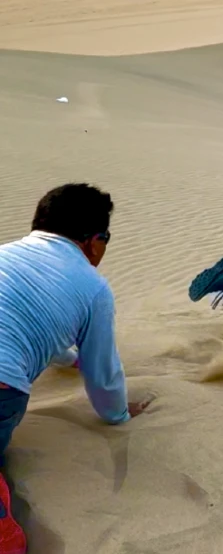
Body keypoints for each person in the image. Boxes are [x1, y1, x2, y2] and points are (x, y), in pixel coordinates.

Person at [0, 184, 150, 550]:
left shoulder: (5, 254)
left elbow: (22, 322)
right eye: (107, 238)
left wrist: (69, 357)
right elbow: (103, 374)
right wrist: (118, 415)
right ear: (93, 240)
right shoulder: (93, 287)